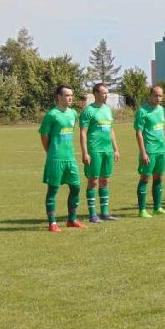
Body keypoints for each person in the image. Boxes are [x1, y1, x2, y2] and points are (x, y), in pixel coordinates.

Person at [39, 84, 84, 231]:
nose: (70, 98)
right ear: (59, 97)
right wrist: (50, 151)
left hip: (70, 157)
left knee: (76, 187)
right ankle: (52, 223)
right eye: (67, 95)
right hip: (56, 158)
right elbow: (44, 136)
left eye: (71, 95)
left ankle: (72, 220)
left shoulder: (73, 114)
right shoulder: (52, 115)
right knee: (53, 190)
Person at [79, 82, 120, 223]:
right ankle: (92, 214)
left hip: (107, 150)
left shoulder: (108, 110)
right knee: (93, 180)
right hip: (94, 150)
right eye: (103, 93)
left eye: (107, 92)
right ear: (95, 94)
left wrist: (116, 149)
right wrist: (85, 153)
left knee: (105, 180)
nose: (106, 95)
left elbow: (111, 130)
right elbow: (83, 133)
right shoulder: (88, 111)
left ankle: (104, 213)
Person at [134, 85, 165, 218]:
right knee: (145, 177)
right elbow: (138, 132)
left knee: (159, 177)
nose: (158, 98)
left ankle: (157, 208)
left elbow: (164, 129)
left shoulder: (161, 110)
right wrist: (143, 152)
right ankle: (142, 210)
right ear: (150, 96)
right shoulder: (142, 111)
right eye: (155, 95)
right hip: (150, 150)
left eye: (160, 96)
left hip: (161, 150)